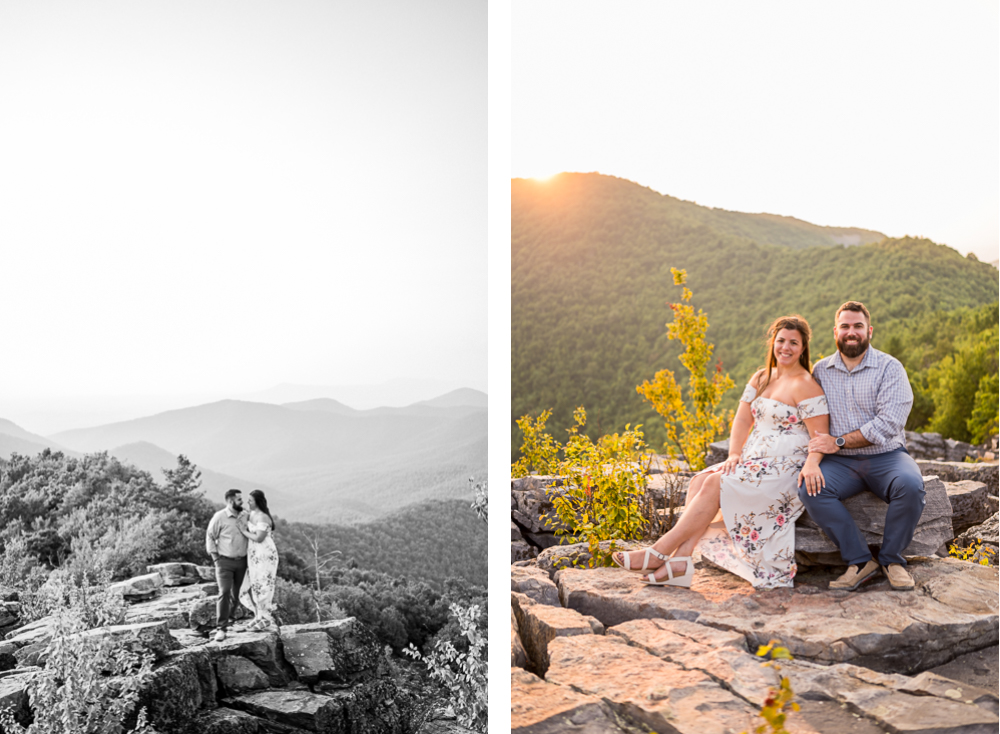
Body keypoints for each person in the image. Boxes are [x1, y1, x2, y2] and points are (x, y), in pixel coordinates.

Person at [612, 315, 829, 589]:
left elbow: (820, 437)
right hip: (754, 460)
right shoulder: (762, 377)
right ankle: (680, 563)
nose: (785, 347)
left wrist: (812, 464)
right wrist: (734, 454)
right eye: (781, 340)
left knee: (715, 482)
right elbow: (742, 420)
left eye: (793, 343)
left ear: (803, 347)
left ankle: (659, 551)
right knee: (701, 479)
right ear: (773, 342)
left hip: (785, 469)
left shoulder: (806, 384)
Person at [799, 301, 923, 592]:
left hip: (886, 456)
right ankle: (860, 561)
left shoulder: (890, 368)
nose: (851, 332)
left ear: (869, 330)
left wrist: (838, 441)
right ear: (835, 332)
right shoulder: (821, 371)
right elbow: (812, 416)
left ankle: (892, 560)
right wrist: (812, 459)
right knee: (810, 488)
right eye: (845, 326)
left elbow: (888, 424)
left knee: (911, 486)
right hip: (841, 463)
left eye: (857, 326)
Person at [206, 488, 249, 642]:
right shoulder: (219, 517)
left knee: (236, 595)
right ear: (231, 501)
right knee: (224, 592)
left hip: (243, 562)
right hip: (224, 562)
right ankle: (221, 628)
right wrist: (215, 558)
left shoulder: (245, 516)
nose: (242, 502)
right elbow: (210, 536)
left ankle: (230, 620)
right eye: (239, 499)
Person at [238, 489, 279, 630]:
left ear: (257, 501)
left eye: (250, 500)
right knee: (253, 581)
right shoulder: (252, 514)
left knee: (263, 581)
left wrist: (244, 531)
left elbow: (260, 538)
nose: (248, 502)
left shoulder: (263, 517)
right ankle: (258, 615)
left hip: (265, 553)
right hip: (254, 553)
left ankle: (266, 617)